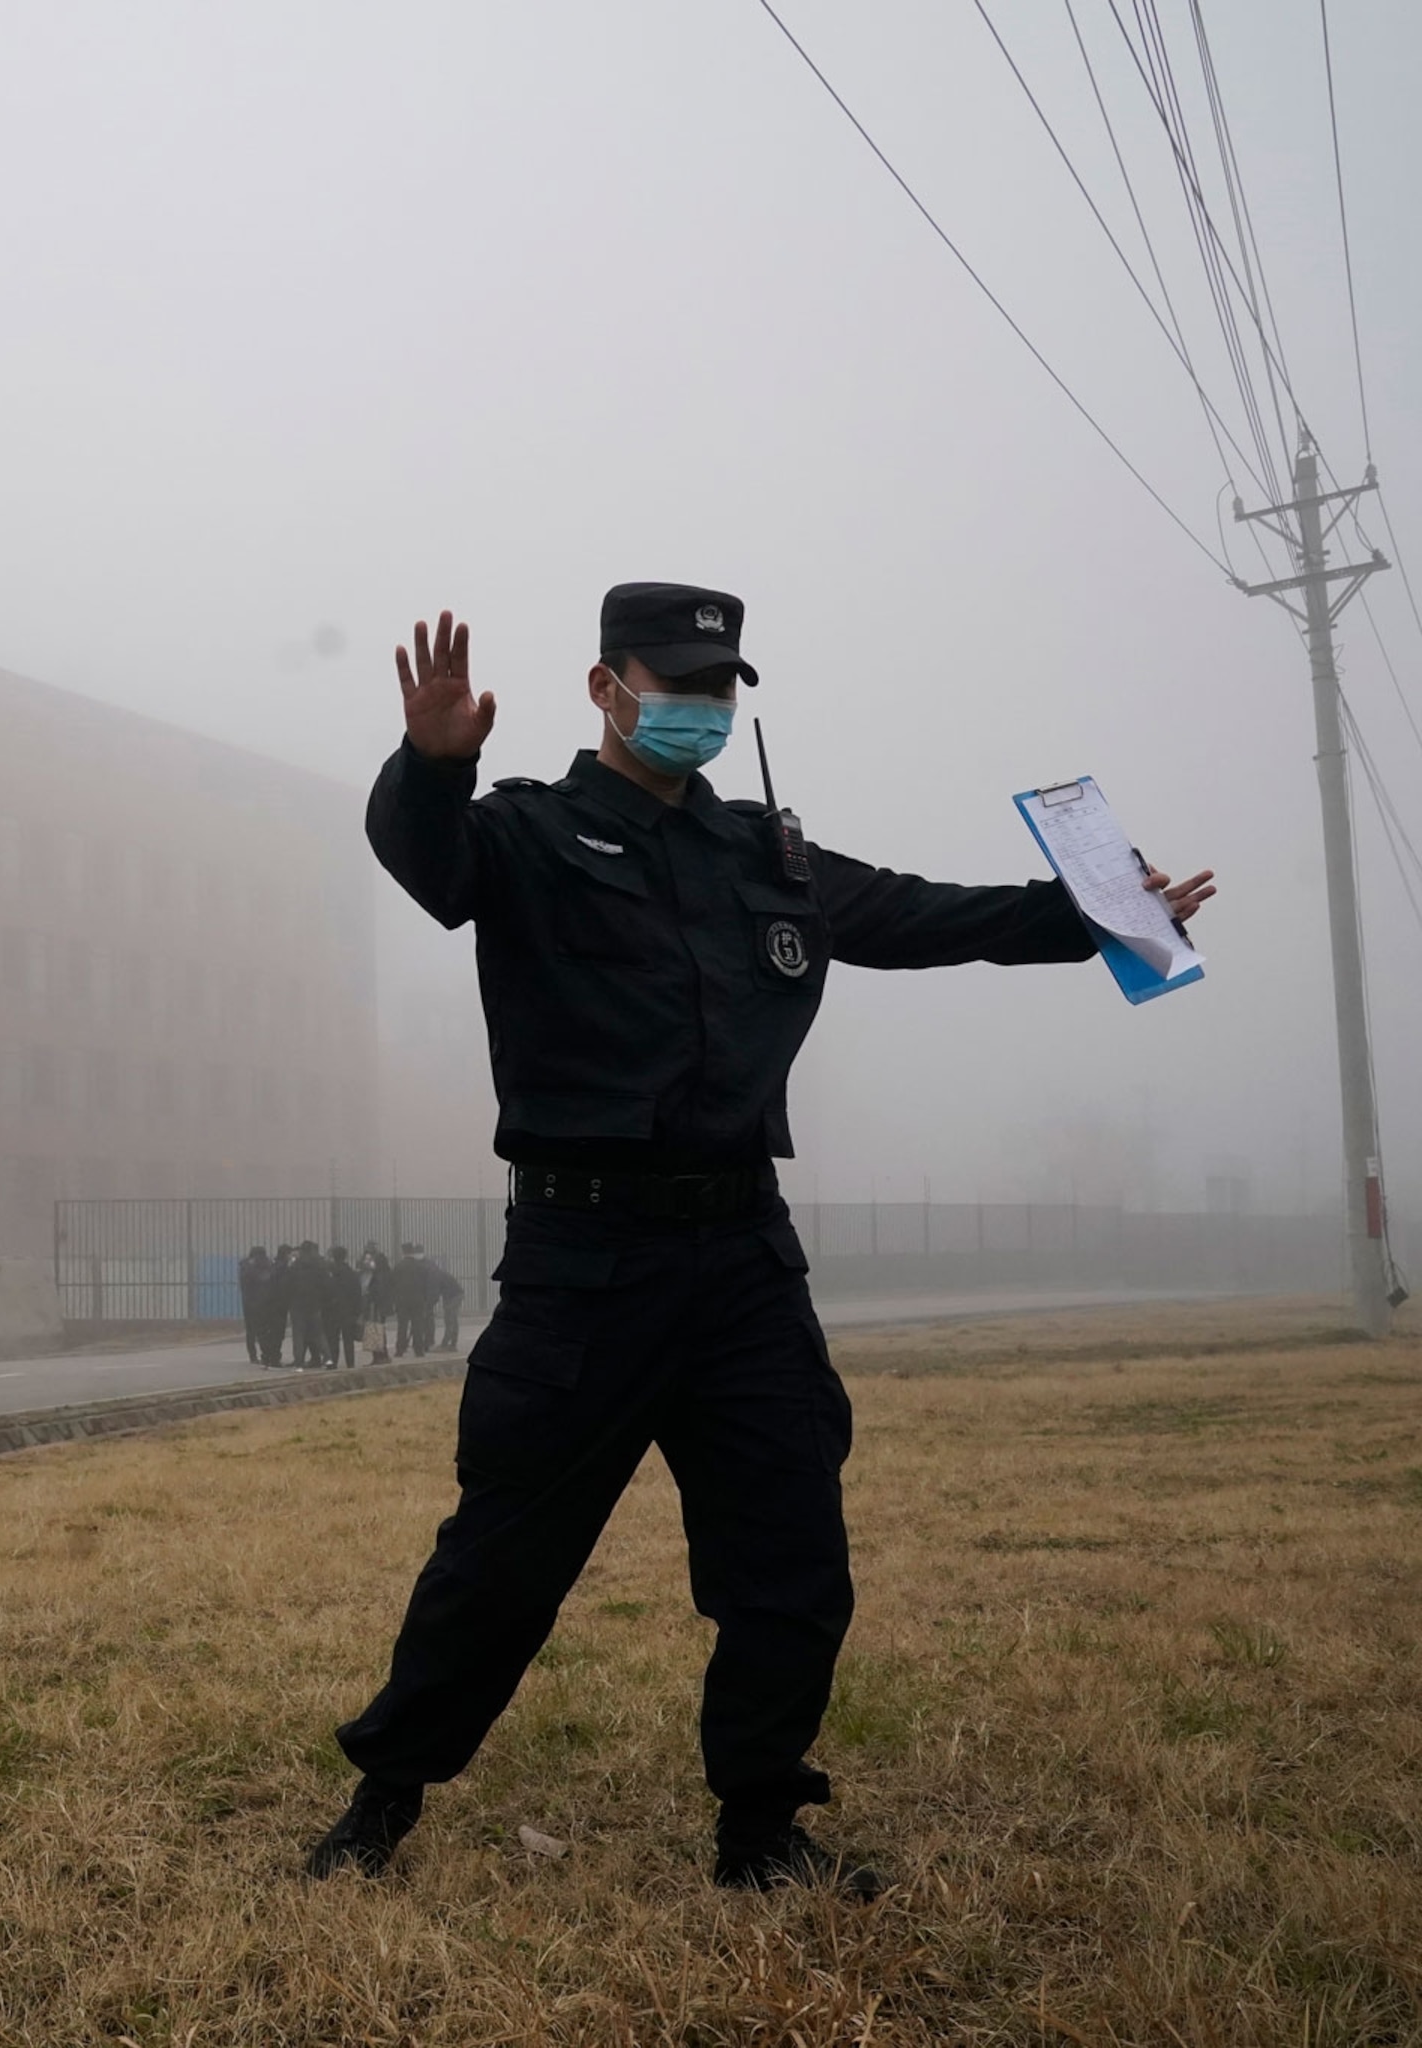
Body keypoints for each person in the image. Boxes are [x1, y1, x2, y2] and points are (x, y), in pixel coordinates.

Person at [305, 585, 1214, 1898]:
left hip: (742, 1261)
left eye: (722, 686)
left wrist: (1103, 918)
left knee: (790, 1561)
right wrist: (431, 771)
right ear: (607, 689)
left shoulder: (767, 858)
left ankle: (763, 1833)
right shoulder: (530, 836)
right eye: (674, 683)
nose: (702, 707)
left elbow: (920, 916)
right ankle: (382, 1807)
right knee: (500, 1563)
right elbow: (432, 865)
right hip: (585, 1263)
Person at [388, 1243, 437, 1357]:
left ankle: (400, 1349)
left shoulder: (399, 1266)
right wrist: (425, 1298)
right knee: (417, 1325)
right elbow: (426, 1284)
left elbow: (392, 1284)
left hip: (402, 1301)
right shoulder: (421, 1267)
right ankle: (418, 1349)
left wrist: (395, 1299)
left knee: (402, 1326)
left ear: (403, 1252)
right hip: (418, 1300)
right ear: (413, 1252)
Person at [286, 1241, 328, 1370]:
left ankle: (299, 1362)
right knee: (319, 1334)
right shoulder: (319, 1266)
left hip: (297, 1305)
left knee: (298, 1335)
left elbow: (289, 1286)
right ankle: (328, 1358)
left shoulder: (295, 1266)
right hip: (315, 1305)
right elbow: (324, 1285)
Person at [238, 1245, 278, 1364]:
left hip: (249, 1302)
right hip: (263, 1302)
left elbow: (244, 1285)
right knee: (263, 1329)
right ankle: (264, 1354)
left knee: (251, 1330)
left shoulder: (245, 1266)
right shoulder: (266, 1266)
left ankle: (254, 1355)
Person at [326, 1245, 364, 1368]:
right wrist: (358, 1311)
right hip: (348, 1311)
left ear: (333, 1257)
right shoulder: (351, 1273)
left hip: (332, 1310)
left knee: (333, 1339)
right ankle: (350, 1362)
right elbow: (357, 1293)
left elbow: (325, 1291)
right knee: (348, 1339)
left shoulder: (330, 1274)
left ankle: (333, 1362)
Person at [433, 1263, 465, 1353]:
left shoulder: (438, 1276)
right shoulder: (441, 1274)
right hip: (456, 1295)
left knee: (449, 1319)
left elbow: (440, 1291)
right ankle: (452, 1344)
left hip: (454, 1297)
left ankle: (445, 1344)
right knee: (453, 1319)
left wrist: (444, 1305)